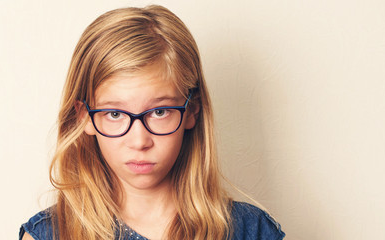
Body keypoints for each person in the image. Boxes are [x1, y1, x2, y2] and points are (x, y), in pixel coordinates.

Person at [19, 5, 285, 240]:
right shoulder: (51, 234)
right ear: (85, 116)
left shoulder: (251, 230)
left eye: (159, 112)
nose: (139, 141)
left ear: (191, 110)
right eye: (115, 114)